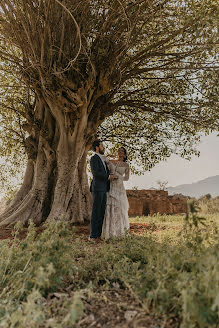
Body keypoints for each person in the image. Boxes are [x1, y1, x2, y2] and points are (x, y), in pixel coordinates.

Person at [89, 140, 117, 242]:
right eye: (102, 146)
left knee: (101, 212)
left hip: (104, 188)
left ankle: (98, 235)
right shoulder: (93, 159)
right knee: (96, 212)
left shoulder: (104, 159)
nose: (104, 147)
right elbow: (96, 173)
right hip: (97, 188)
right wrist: (109, 177)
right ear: (97, 147)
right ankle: (92, 236)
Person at [102, 147, 130, 239]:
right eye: (118, 150)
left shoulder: (126, 165)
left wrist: (118, 177)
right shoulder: (111, 162)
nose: (119, 152)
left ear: (125, 154)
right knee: (110, 206)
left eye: (122, 151)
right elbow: (104, 162)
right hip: (110, 186)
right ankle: (109, 232)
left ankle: (120, 232)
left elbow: (126, 178)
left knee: (119, 208)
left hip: (119, 187)